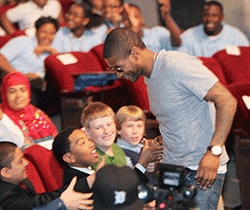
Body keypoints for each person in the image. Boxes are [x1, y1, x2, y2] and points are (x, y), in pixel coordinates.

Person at [102, 27, 238, 210]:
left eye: (119, 68)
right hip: (172, 170)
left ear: (134, 53)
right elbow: (178, 119)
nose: (118, 75)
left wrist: (214, 152)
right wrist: (159, 146)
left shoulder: (176, 65)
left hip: (199, 170)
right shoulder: (150, 78)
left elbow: (227, 101)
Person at [80, 102, 163, 182]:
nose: (106, 131)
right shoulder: (92, 158)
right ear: (87, 133)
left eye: (109, 125)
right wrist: (143, 162)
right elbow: (123, 186)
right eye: (98, 128)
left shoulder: (116, 150)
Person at [0, 141, 93, 210]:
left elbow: (44, 199)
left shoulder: (23, 182)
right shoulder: (5, 198)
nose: (26, 163)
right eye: (20, 161)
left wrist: (88, 181)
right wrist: (62, 203)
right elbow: (40, 206)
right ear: (5, 172)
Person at [0, 16, 60, 107]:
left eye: (52, 33)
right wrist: (21, 76)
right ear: (36, 31)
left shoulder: (51, 51)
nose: (47, 36)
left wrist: (53, 53)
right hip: (16, 82)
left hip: (39, 85)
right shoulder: (23, 41)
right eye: (44, 32)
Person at [0, 72, 58, 150]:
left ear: (29, 93)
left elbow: (56, 140)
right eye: (12, 91)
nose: (18, 96)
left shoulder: (38, 113)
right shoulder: (3, 119)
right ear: (4, 95)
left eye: (23, 90)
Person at [177, 0, 249, 57]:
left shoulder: (236, 37)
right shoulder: (188, 36)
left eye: (214, 15)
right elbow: (180, 62)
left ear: (222, 17)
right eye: (206, 15)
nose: (209, 19)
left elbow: (246, 61)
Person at [52, 127, 105, 193]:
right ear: (69, 158)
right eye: (82, 143)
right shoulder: (76, 184)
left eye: (88, 139)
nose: (91, 144)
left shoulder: (87, 167)